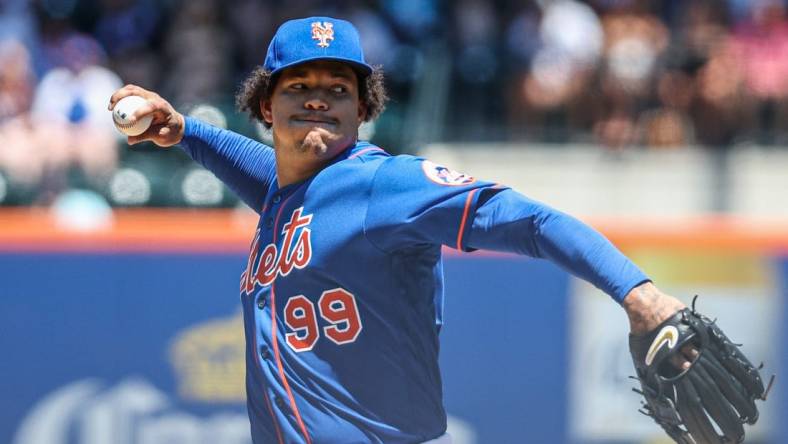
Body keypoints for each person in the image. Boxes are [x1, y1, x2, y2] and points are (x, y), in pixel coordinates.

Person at [108, 16, 763, 444]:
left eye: (338, 89)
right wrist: (184, 131)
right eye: (298, 85)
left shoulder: (383, 185)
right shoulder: (287, 193)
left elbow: (531, 221)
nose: (317, 97)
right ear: (263, 106)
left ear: (363, 109)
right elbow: (263, 171)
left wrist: (639, 294)